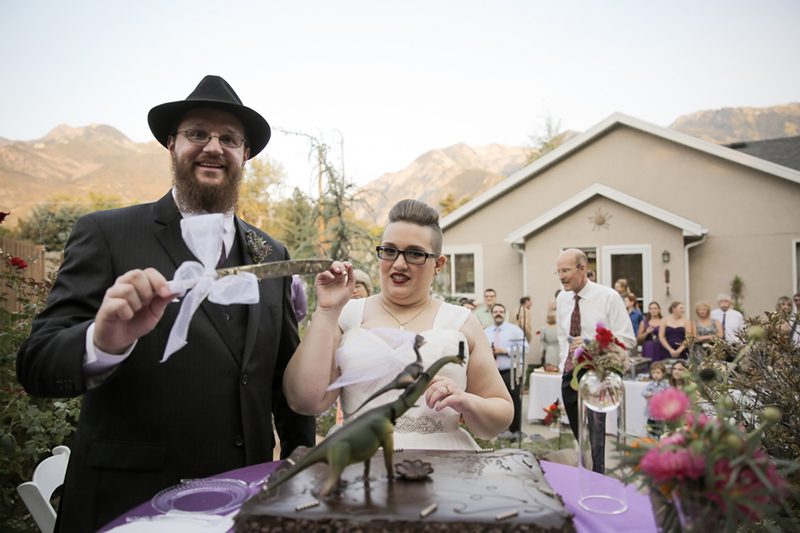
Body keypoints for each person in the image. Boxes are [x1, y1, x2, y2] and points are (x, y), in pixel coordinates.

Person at [14, 76, 315, 531]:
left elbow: (281, 373)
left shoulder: (271, 254)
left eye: (229, 139)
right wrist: (102, 340)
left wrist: (300, 456)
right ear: (171, 144)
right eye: (197, 134)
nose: (214, 147)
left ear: (245, 154)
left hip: (243, 497)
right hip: (130, 502)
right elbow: (36, 363)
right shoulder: (107, 233)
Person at [283, 199, 513, 451]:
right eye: (390, 250)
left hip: (445, 466)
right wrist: (326, 311)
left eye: (414, 253)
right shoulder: (346, 316)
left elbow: (498, 418)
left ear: (438, 264)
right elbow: (304, 401)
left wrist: (466, 401)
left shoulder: (462, 322)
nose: (399, 263)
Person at [555, 249, 635, 473]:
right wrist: (564, 364)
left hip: (599, 372)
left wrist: (591, 344)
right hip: (570, 372)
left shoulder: (608, 297)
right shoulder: (562, 298)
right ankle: (585, 468)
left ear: (583, 269)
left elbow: (628, 338)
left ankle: (597, 477)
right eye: (558, 271)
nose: (561, 276)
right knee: (579, 432)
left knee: (595, 431)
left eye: (566, 270)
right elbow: (563, 336)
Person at [484, 303, 528, 434]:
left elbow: (525, 347)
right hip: (492, 372)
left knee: (513, 400)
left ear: (505, 314)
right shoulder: (486, 332)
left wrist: (506, 350)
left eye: (501, 311)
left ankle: (515, 431)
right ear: (492, 314)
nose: (498, 313)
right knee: (493, 400)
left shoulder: (514, 330)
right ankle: (496, 429)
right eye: (495, 311)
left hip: (510, 371)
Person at [642, 361, 670, 438]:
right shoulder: (651, 384)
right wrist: (649, 394)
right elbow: (643, 392)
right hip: (651, 414)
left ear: (663, 373)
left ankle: (659, 444)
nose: (655, 375)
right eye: (653, 373)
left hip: (660, 415)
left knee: (659, 431)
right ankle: (650, 442)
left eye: (658, 373)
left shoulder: (666, 384)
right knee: (650, 430)